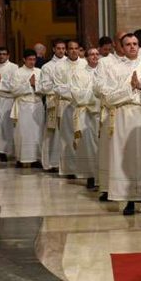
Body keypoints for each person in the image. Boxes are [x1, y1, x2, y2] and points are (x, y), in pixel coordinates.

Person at [101, 33, 141, 215]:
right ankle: (129, 200)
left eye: (135, 44)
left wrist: (140, 87)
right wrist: (130, 87)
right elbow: (108, 97)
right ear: (121, 47)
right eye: (128, 44)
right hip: (122, 115)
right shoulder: (114, 69)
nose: (132, 47)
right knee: (126, 157)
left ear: (139, 46)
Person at [94, 31, 126, 201]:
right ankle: (107, 187)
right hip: (110, 110)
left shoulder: (137, 62)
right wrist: (112, 95)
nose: (125, 44)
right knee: (110, 150)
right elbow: (98, 85)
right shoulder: (105, 62)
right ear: (115, 43)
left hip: (130, 112)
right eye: (122, 41)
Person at [52, 40, 86, 178]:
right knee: (67, 137)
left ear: (79, 50)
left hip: (83, 106)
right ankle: (70, 169)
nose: (73, 51)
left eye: (76, 48)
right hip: (66, 105)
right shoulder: (59, 66)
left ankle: (83, 168)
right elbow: (57, 87)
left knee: (82, 136)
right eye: (70, 48)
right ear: (66, 50)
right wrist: (74, 92)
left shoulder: (85, 64)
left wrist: (80, 94)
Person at [70, 47, 101, 189]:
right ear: (86, 58)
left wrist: (93, 94)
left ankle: (102, 177)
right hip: (86, 115)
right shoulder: (79, 73)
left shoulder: (104, 71)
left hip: (102, 114)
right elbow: (77, 94)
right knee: (88, 146)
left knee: (102, 146)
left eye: (96, 54)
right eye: (91, 54)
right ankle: (91, 175)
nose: (94, 57)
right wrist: (94, 94)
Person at [9, 49, 44, 168]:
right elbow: (14, 90)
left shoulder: (40, 71)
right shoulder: (17, 72)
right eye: (30, 59)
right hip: (23, 106)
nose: (32, 62)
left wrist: (35, 85)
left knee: (37, 133)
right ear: (24, 59)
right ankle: (22, 158)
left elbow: (44, 88)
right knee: (23, 133)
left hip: (37, 105)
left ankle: (36, 158)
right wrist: (28, 84)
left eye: (34, 59)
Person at [39, 39, 67, 172]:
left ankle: (68, 163)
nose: (61, 51)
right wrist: (59, 87)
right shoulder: (47, 67)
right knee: (54, 133)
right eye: (59, 48)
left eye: (63, 48)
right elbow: (44, 87)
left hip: (68, 102)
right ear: (54, 49)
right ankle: (53, 163)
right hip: (54, 103)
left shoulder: (71, 64)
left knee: (67, 132)